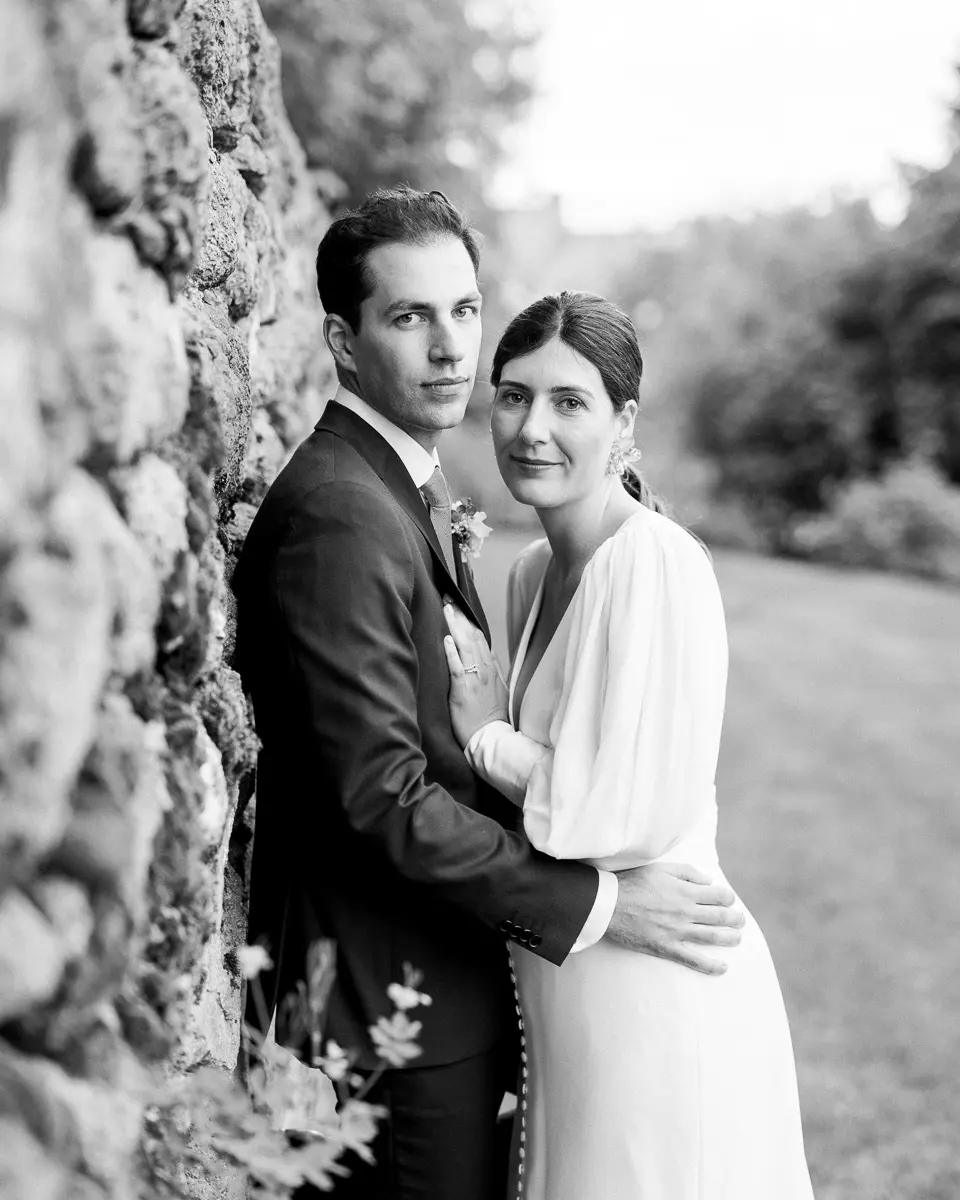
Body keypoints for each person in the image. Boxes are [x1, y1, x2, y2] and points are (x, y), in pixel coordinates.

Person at [232, 189, 745, 1200]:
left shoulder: (400, 490)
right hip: (388, 1020)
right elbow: (382, 795)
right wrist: (599, 904)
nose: (448, 348)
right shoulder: (344, 514)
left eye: (463, 311)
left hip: (452, 1002)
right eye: (409, 317)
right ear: (341, 338)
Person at [442, 289, 815, 1200]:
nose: (533, 427)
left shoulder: (656, 561)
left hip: (660, 989)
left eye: (571, 402)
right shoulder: (532, 574)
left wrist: (485, 734)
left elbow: (614, 818)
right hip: (568, 988)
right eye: (516, 395)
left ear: (623, 422)